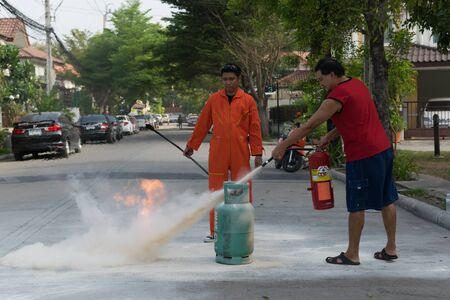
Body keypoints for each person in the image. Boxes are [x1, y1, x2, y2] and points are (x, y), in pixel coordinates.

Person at [272, 57, 398, 265]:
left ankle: (352, 254)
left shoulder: (336, 96)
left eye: (321, 79)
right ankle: (391, 248)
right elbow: (355, 118)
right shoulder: (357, 85)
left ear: (332, 74)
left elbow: (309, 126)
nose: (321, 83)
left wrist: (283, 145)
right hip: (383, 149)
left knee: (356, 204)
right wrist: (329, 136)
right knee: (387, 199)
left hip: (363, 154)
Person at [184, 63, 263, 242]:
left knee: (242, 190)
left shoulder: (248, 100)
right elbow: (203, 123)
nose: (228, 82)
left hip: (240, 150)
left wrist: (257, 153)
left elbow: (255, 128)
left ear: (239, 78)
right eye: (225, 79)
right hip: (218, 150)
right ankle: (215, 232)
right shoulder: (214, 99)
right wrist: (192, 145)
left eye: (232, 79)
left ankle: (243, 231)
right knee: (215, 191)